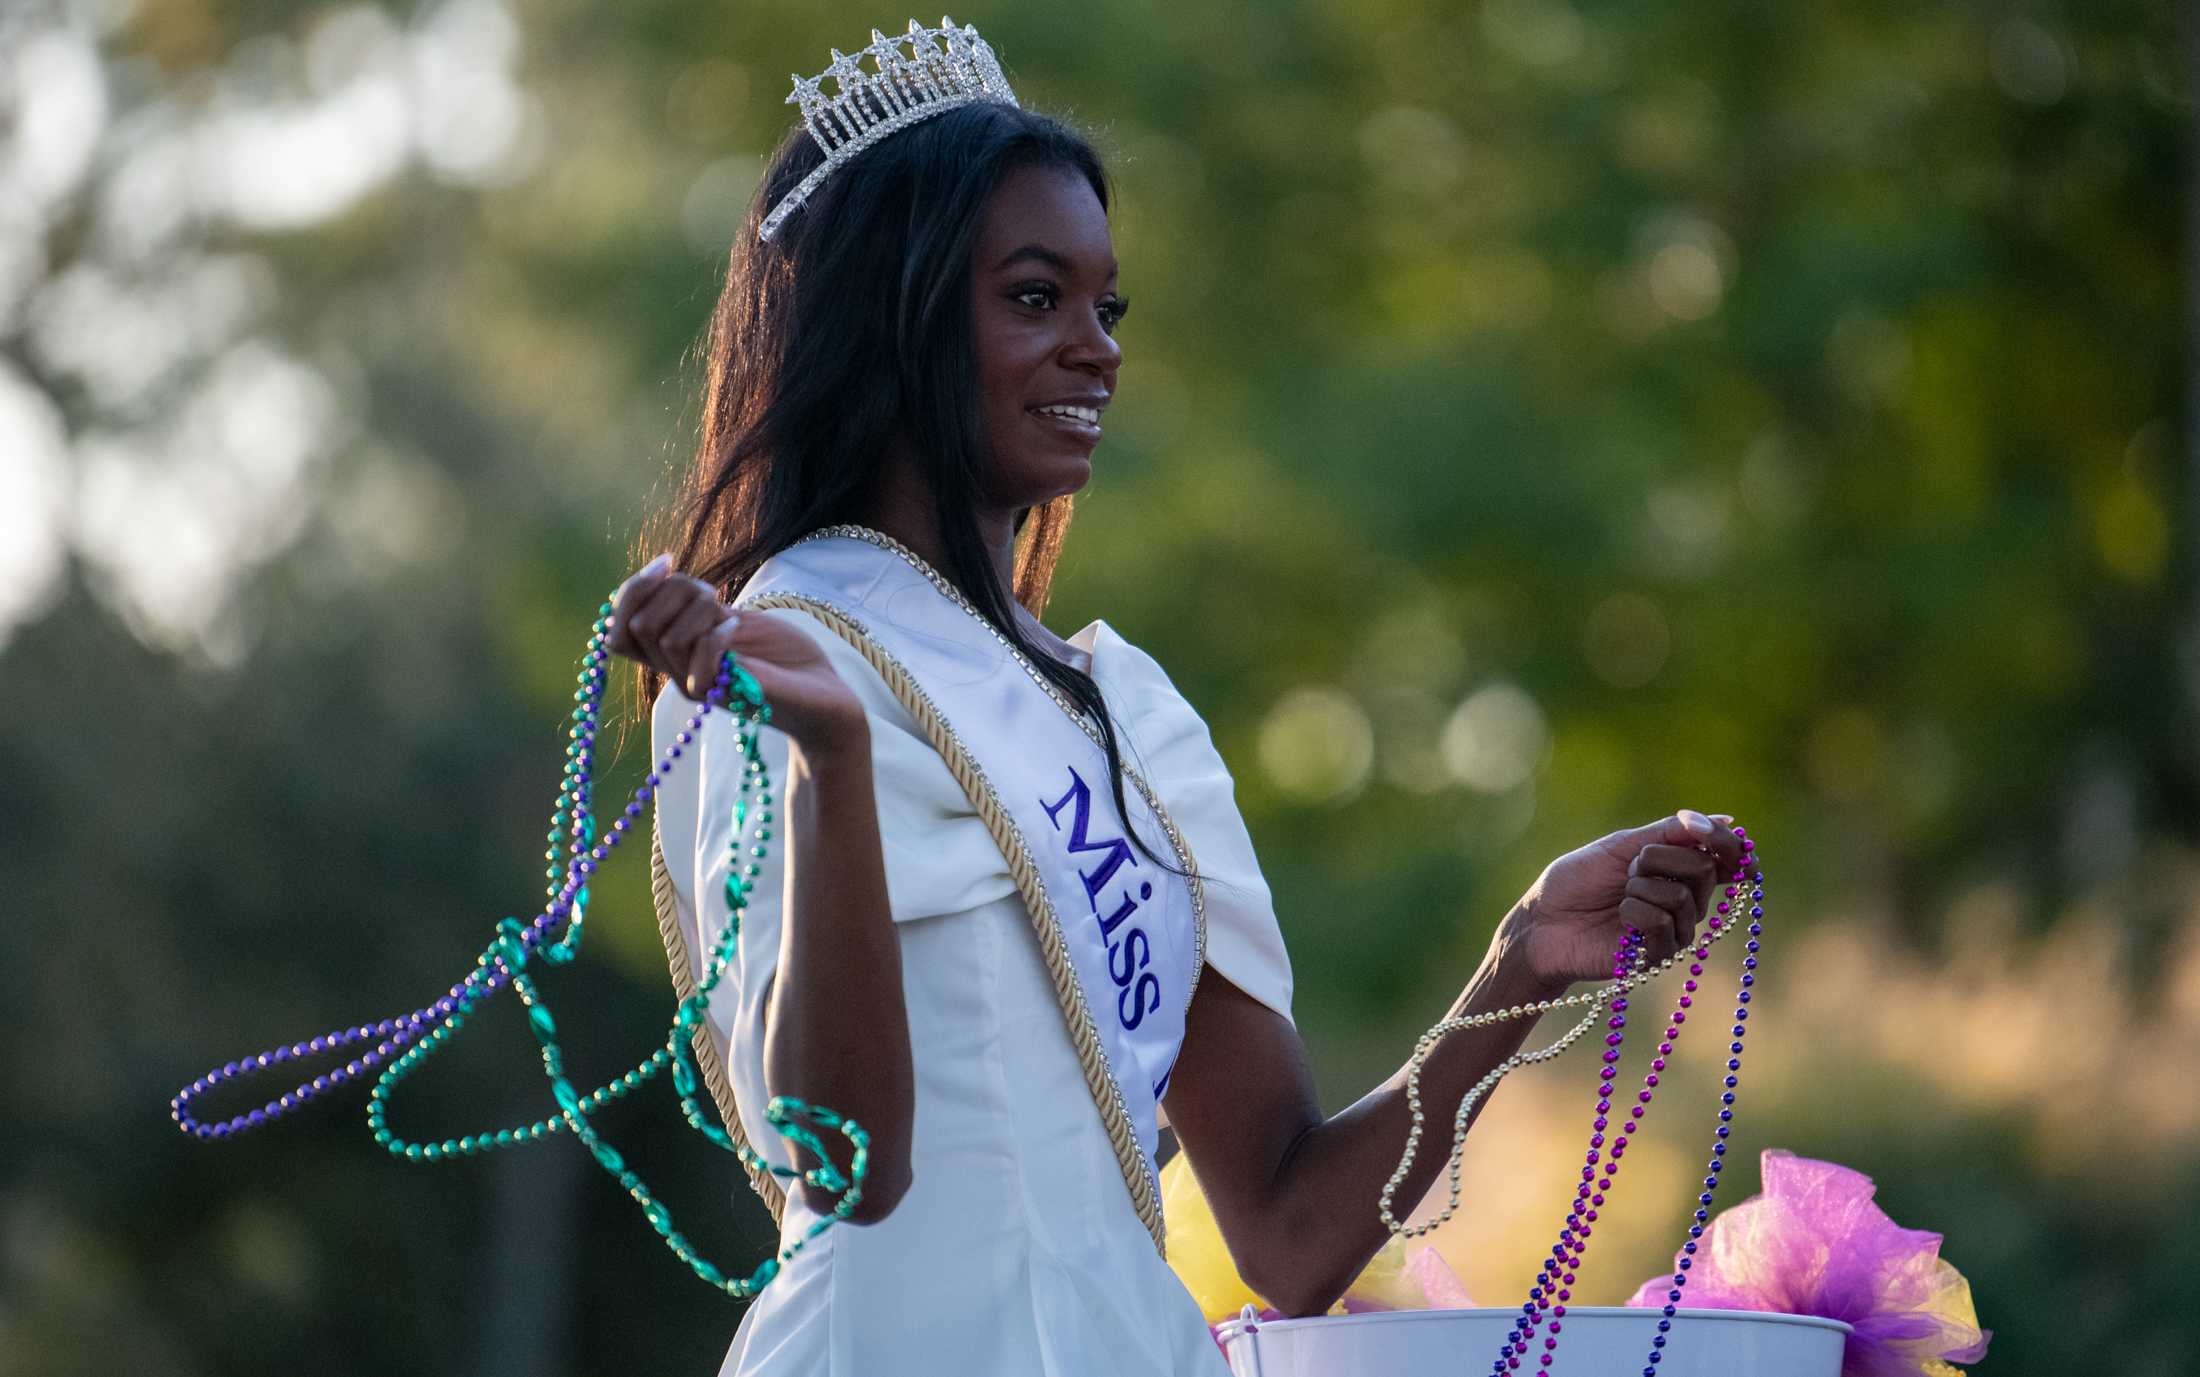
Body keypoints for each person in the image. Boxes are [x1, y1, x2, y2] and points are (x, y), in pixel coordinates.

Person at [605, 21, 1748, 1376]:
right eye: (1036, 298)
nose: (1097, 348)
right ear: (890, 313)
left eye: (1108, 307)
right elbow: (843, 1164)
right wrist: (832, 761)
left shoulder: (1120, 707)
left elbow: (1284, 1224)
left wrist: (1521, 967)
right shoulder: (780, 651)